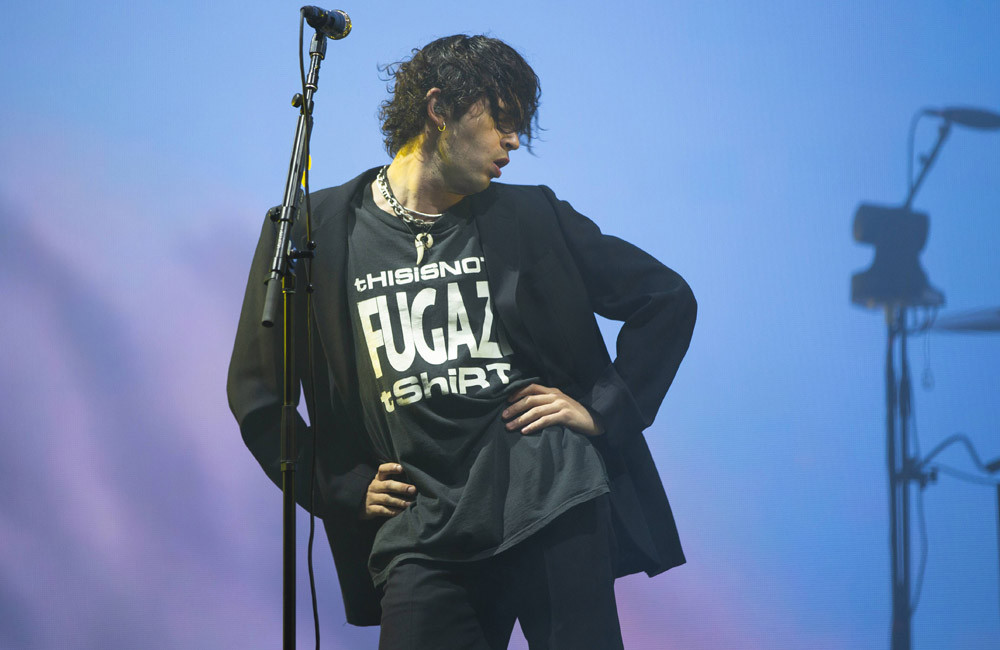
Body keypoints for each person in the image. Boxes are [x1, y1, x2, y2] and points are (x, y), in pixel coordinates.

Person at [228, 34, 696, 649]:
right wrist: (335, 484)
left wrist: (603, 408)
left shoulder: (530, 217)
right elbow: (259, 393)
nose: (513, 142)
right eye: (502, 120)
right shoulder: (314, 233)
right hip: (422, 528)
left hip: (550, 499)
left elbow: (665, 298)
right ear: (439, 109)